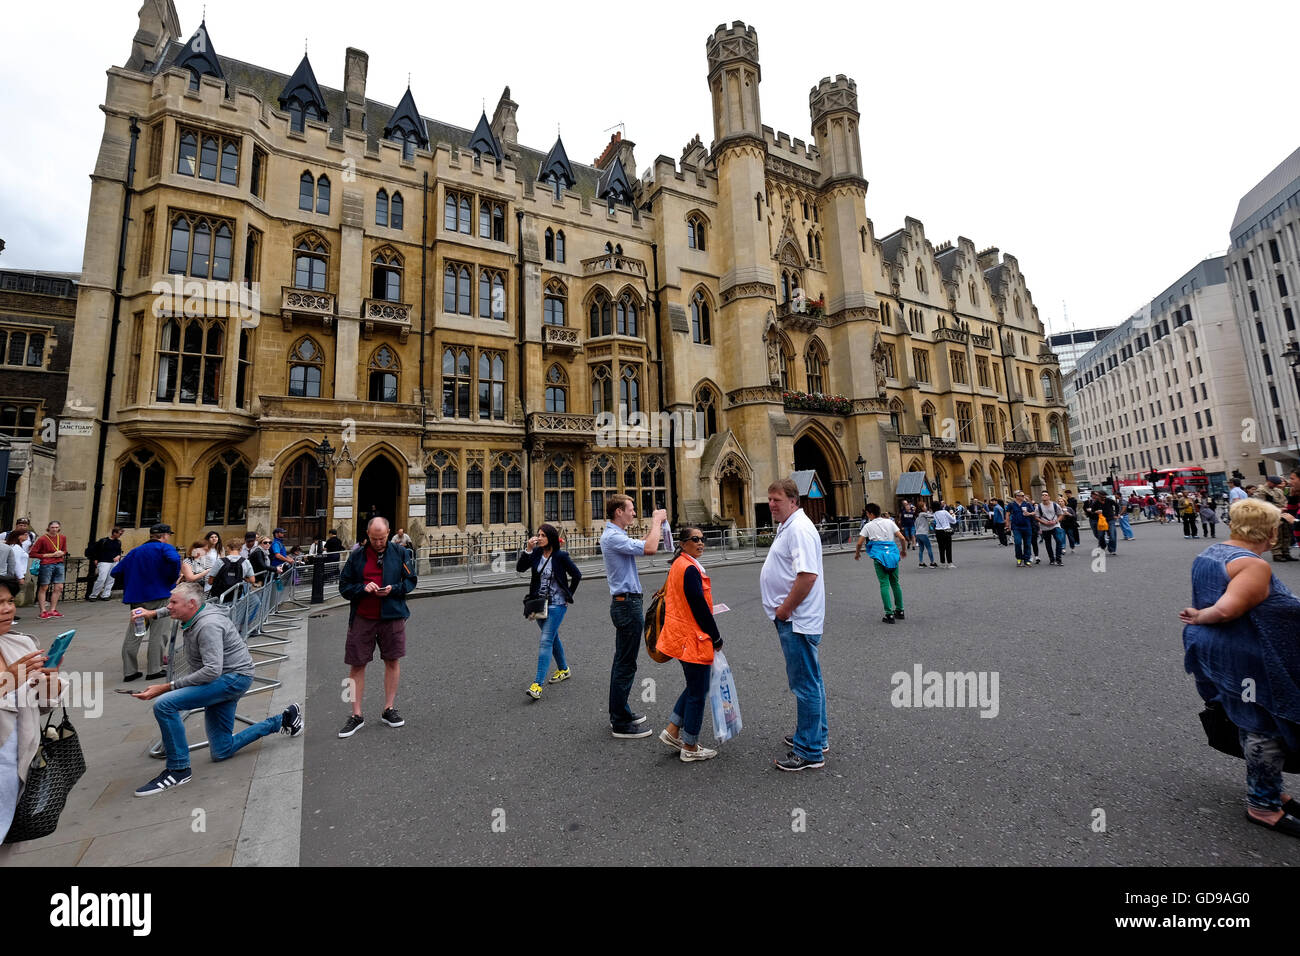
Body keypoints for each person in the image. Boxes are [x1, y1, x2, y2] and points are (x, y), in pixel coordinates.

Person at [1181, 498, 1300, 837]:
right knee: (1264, 725)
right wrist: (1202, 614)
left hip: (1213, 649)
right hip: (1243, 653)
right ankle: (1263, 806)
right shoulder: (1253, 565)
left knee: (1247, 719)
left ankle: (1271, 789)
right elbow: (1227, 608)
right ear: (1270, 531)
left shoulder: (1210, 553)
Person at [130, 582, 303, 796]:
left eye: (173, 602)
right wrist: (152, 613)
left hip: (231, 679)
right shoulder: (194, 609)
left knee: (165, 704)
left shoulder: (208, 625)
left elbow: (211, 671)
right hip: (226, 678)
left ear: (191, 604)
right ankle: (284, 719)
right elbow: (175, 608)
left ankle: (178, 769)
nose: (169, 606)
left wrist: (166, 687)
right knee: (222, 750)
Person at [761, 478, 827, 771]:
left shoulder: (799, 528)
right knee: (812, 680)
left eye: (777, 499)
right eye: (770, 499)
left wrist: (785, 610)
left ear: (793, 500)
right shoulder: (789, 525)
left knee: (804, 685)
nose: (772, 504)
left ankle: (810, 751)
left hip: (797, 620)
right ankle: (815, 735)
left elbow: (807, 576)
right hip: (796, 619)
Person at [336, 517, 418, 738]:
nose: (379, 542)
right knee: (356, 665)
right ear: (368, 534)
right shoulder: (357, 556)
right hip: (363, 617)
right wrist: (363, 588)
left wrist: (393, 588)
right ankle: (356, 715)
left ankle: (389, 708)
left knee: (392, 661)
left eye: (382, 538)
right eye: (374, 539)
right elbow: (344, 586)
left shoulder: (401, 553)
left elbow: (411, 581)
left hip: (392, 615)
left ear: (389, 533)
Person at [0, 575, 64, 851]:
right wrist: (9, 678)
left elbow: (43, 704)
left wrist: (52, 681)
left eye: (9, 601)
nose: (6, 609)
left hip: (19, 763)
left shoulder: (21, 644)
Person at [599, 495, 666, 739]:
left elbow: (644, 543)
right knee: (626, 664)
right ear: (619, 512)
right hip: (626, 605)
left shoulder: (616, 537)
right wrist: (657, 520)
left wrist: (656, 528)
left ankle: (621, 712)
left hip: (626, 603)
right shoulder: (613, 537)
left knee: (623, 661)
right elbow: (650, 548)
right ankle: (620, 722)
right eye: (631, 509)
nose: (634, 513)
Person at [656, 526, 722, 762]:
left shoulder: (679, 564)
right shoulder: (690, 569)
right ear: (683, 543)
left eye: (703, 539)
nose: (701, 543)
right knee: (698, 691)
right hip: (693, 637)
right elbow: (700, 608)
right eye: (695, 539)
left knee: (695, 685)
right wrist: (716, 637)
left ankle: (673, 730)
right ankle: (690, 746)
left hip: (680, 635)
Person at [516, 523, 581, 701]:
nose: (539, 537)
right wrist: (528, 549)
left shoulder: (561, 556)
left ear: (550, 537)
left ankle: (537, 685)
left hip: (557, 604)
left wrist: (569, 595)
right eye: (538, 534)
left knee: (545, 640)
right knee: (552, 637)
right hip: (538, 603)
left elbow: (577, 575)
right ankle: (564, 669)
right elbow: (520, 568)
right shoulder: (536, 553)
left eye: (543, 535)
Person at [113, 522, 182, 682]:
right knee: (159, 634)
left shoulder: (135, 551)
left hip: (137, 600)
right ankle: (154, 669)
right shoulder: (165, 548)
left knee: (135, 633)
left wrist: (132, 583)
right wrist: (170, 579)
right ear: (165, 536)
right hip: (159, 597)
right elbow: (174, 559)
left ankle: (129, 672)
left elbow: (116, 572)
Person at [855, 502, 907, 622]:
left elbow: (859, 543)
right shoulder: (889, 522)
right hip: (893, 554)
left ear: (871, 514)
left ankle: (889, 614)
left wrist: (857, 553)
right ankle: (900, 610)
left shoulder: (868, 526)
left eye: (867, 514)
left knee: (884, 584)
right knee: (895, 583)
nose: (867, 516)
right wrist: (903, 551)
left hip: (879, 556)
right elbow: (902, 538)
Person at [29, 520, 68, 619]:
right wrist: (50, 555)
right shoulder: (43, 539)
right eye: (53, 527)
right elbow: (32, 553)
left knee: (59, 587)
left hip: (59, 563)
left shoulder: (62, 538)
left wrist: (62, 553)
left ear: (59, 528)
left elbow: (64, 550)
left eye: (56, 527)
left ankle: (53, 609)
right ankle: (43, 610)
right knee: (44, 587)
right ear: (49, 528)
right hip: (46, 564)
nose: (55, 529)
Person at [1256, 477, 1293, 562]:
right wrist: (1278, 509)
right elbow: (1261, 504)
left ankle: (1286, 552)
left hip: (1283, 514)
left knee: (1286, 533)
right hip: (1272, 515)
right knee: (1277, 535)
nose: (1276, 485)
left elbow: (1284, 500)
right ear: (1268, 482)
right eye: (1274, 483)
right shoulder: (1261, 491)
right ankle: (1277, 554)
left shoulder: (1278, 490)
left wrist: (1285, 507)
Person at [86, 527, 124, 600]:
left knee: (111, 579)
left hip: (114, 562)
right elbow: (95, 550)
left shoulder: (118, 542)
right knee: (102, 579)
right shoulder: (103, 541)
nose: (120, 535)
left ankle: (106, 595)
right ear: (114, 533)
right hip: (104, 561)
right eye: (119, 533)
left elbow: (119, 551)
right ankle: (93, 595)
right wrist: (95, 559)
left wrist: (118, 556)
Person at [1006, 490, 1037, 567]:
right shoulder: (1011, 505)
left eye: (1023, 496)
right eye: (1022, 496)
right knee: (1018, 542)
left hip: (1027, 526)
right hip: (1016, 527)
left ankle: (1027, 560)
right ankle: (1019, 559)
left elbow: (1034, 512)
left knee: (1027, 544)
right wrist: (1007, 525)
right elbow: (1007, 514)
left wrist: (1029, 513)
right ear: (1017, 496)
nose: (1023, 497)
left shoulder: (1027, 504)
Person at [1034, 491, 1064, 565]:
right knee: (1048, 543)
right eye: (1043, 495)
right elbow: (1036, 517)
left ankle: (1058, 559)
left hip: (1055, 526)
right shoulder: (1039, 507)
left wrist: (1056, 521)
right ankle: (1052, 559)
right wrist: (1044, 522)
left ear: (1049, 497)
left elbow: (1061, 514)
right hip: (1045, 527)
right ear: (1041, 497)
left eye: (1046, 495)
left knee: (1059, 540)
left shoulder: (1055, 505)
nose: (1044, 496)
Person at [1083, 490, 1118, 555]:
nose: (1104, 498)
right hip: (1101, 520)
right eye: (1102, 497)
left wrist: (1116, 515)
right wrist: (1096, 512)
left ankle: (1112, 549)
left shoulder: (1109, 500)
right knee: (1101, 536)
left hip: (1110, 520)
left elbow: (1116, 506)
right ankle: (1103, 546)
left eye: (1104, 497)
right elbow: (1092, 511)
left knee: (1112, 535)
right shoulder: (1096, 503)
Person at [931, 502, 956, 568]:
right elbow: (953, 521)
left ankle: (942, 562)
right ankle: (950, 563)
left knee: (941, 547)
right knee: (948, 547)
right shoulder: (944, 512)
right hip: (946, 530)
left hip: (938, 531)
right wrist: (953, 515)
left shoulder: (934, 514)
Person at [912, 503, 936, 568]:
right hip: (923, 533)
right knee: (929, 548)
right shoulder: (922, 514)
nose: (926, 507)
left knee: (921, 549)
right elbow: (932, 516)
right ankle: (932, 562)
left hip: (918, 534)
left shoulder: (916, 516)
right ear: (922, 508)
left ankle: (921, 563)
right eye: (925, 506)